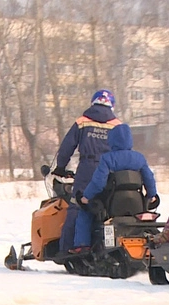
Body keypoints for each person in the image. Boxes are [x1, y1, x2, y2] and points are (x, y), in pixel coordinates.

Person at [52, 90, 121, 255]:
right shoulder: (117, 124)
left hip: (87, 168)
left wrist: (61, 167)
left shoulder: (82, 122)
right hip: (111, 169)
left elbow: (67, 146)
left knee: (78, 205)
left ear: (93, 102)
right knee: (109, 206)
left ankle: (67, 249)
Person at [71, 124, 157, 253]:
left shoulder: (107, 158)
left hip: (112, 205)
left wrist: (86, 197)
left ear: (111, 140)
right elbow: (149, 178)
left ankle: (82, 246)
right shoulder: (139, 158)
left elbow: (98, 183)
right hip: (137, 204)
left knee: (84, 213)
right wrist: (151, 195)